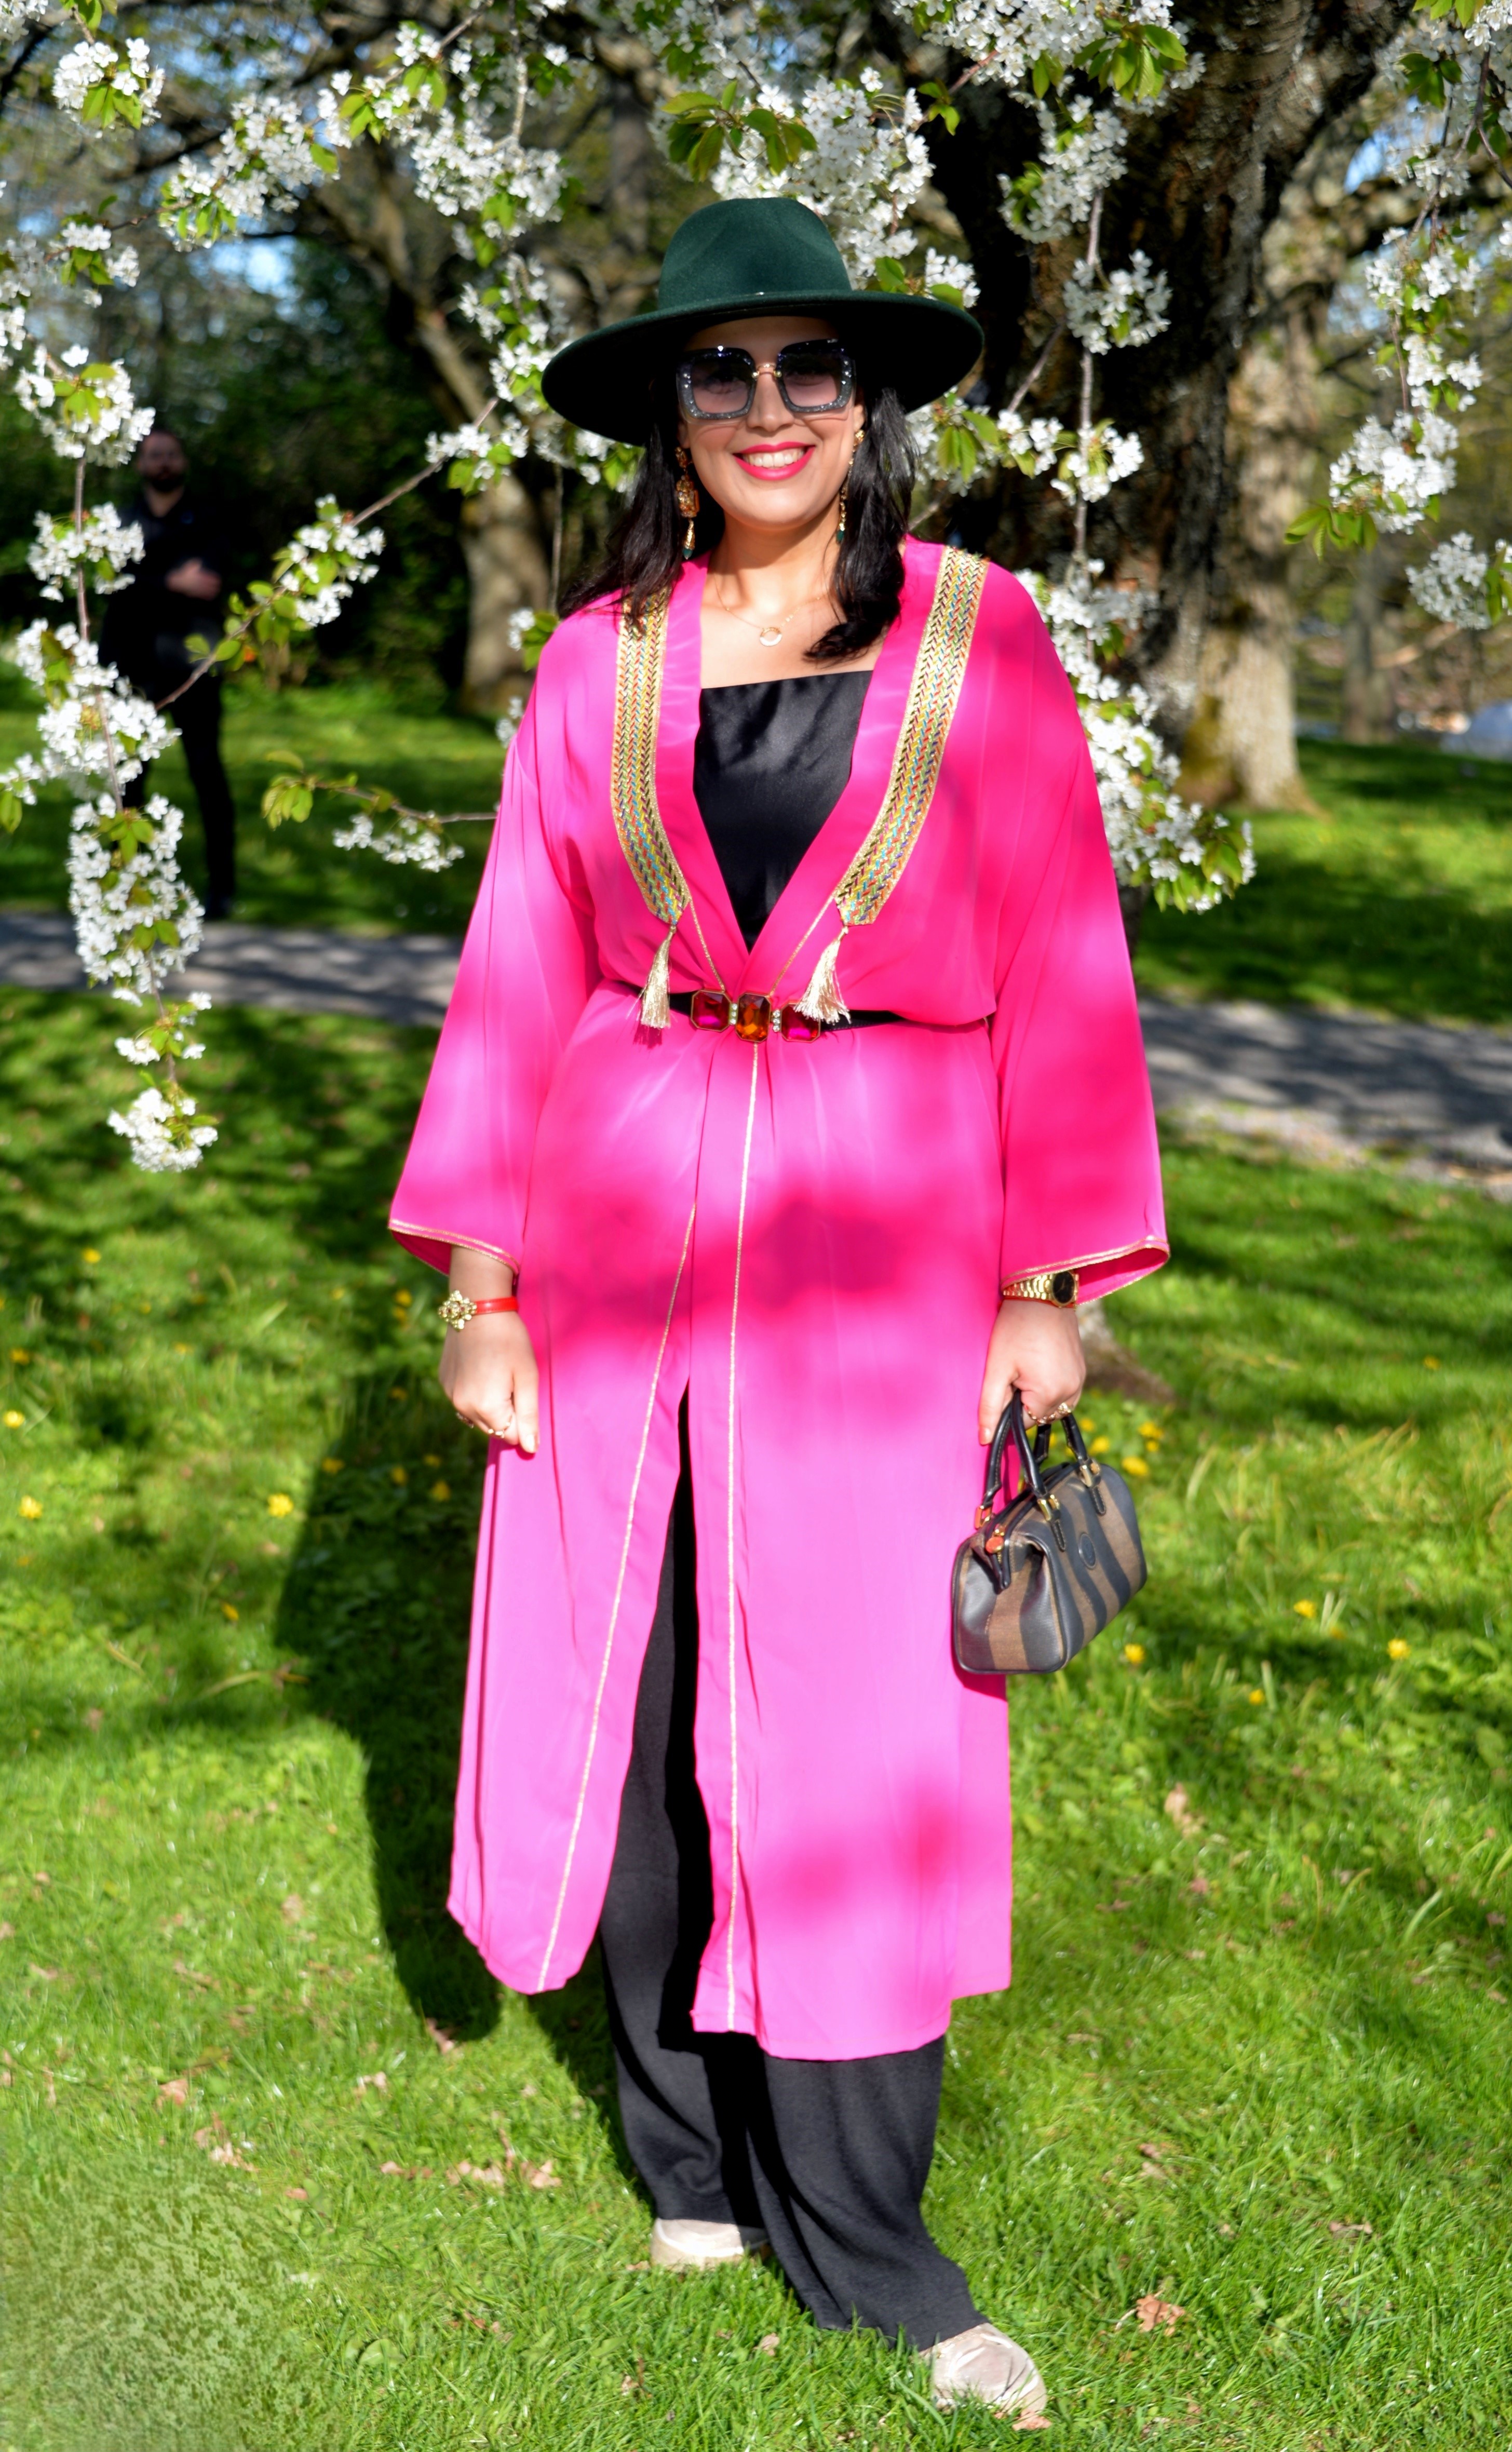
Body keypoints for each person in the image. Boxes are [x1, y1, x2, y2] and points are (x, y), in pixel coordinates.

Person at [389, 195, 1167, 2419]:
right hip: (618, 1213)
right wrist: (482, 1284)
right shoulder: (597, 660)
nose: (765, 407)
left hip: (884, 1233)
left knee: (847, 1722)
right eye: (718, 371)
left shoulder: (979, 637)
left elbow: (1061, 951)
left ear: (866, 399)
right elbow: (517, 966)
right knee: (634, 1693)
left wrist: (1048, 1278)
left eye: (807, 365)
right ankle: (686, 2154)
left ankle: (870, 2242)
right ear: (668, 410)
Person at [101, 426, 238, 919]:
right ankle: (123, 886)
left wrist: (146, 580)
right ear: (140, 464)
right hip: (130, 666)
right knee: (128, 781)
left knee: (207, 774)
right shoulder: (119, 521)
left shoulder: (209, 518)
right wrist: (170, 580)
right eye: (154, 454)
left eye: (171, 454)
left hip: (191, 667)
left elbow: (210, 581)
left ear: (183, 462)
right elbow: (111, 583)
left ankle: (222, 888)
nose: (163, 462)